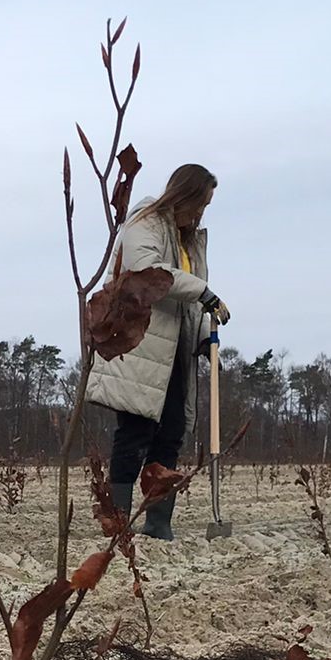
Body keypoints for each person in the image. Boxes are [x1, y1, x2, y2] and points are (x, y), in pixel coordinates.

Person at [85, 164, 230, 540]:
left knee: (171, 435)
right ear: (185, 197)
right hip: (140, 345)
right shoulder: (145, 222)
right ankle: (116, 523)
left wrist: (202, 335)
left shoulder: (189, 241)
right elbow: (147, 270)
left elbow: (188, 303)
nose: (201, 213)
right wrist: (203, 291)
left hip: (176, 354)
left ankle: (158, 523)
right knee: (136, 432)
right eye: (201, 203)